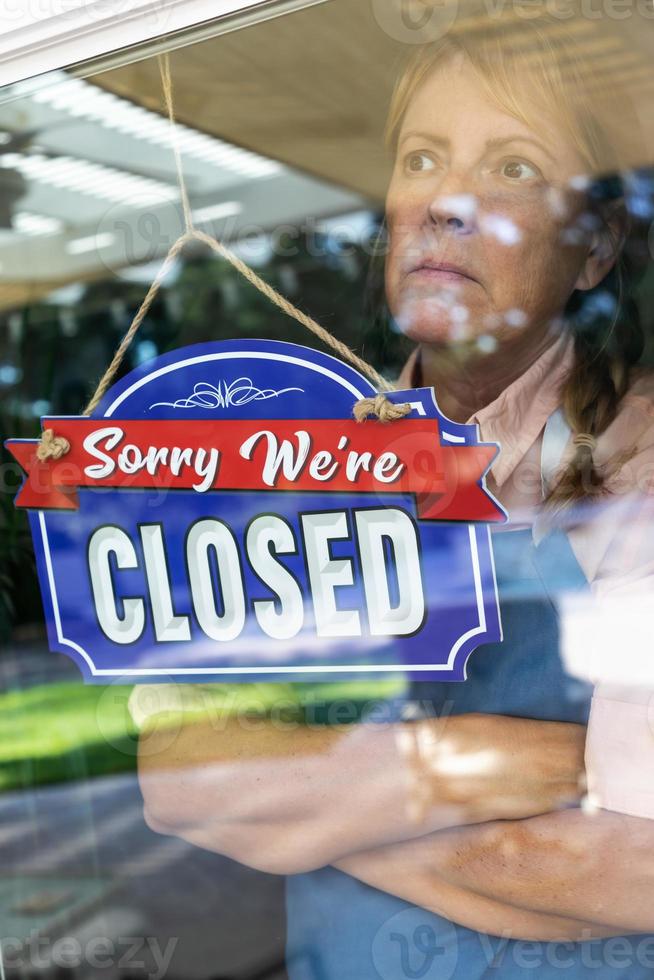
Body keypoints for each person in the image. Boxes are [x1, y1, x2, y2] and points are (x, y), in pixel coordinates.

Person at [132, 18, 654, 979]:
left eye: (513, 168)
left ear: (596, 249)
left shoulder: (637, 463)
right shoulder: (289, 453)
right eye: (422, 157)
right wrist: (487, 759)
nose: (447, 201)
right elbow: (177, 778)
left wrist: (297, 819)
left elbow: (633, 869)